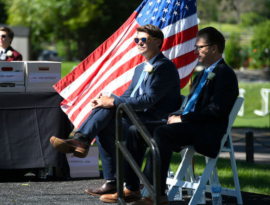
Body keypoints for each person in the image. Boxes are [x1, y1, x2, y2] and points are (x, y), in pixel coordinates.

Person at [102, 27, 239, 204]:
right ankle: (132, 188)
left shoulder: (226, 75)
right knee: (136, 130)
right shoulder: (200, 76)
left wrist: (183, 119)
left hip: (206, 130)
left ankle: (156, 194)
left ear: (214, 48)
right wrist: (175, 115)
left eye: (200, 47)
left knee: (161, 132)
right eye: (195, 47)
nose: (195, 51)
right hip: (189, 124)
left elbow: (215, 111)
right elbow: (191, 104)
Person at [50, 24, 181, 199]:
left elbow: (149, 100)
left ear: (158, 42)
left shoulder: (165, 67)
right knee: (105, 116)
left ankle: (81, 141)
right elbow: (129, 95)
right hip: (138, 117)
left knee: (109, 110)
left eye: (144, 39)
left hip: (155, 121)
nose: (139, 43)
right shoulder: (140, 68)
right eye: (137, 40)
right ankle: (110, 178)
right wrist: (106, 101)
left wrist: (112, 102)